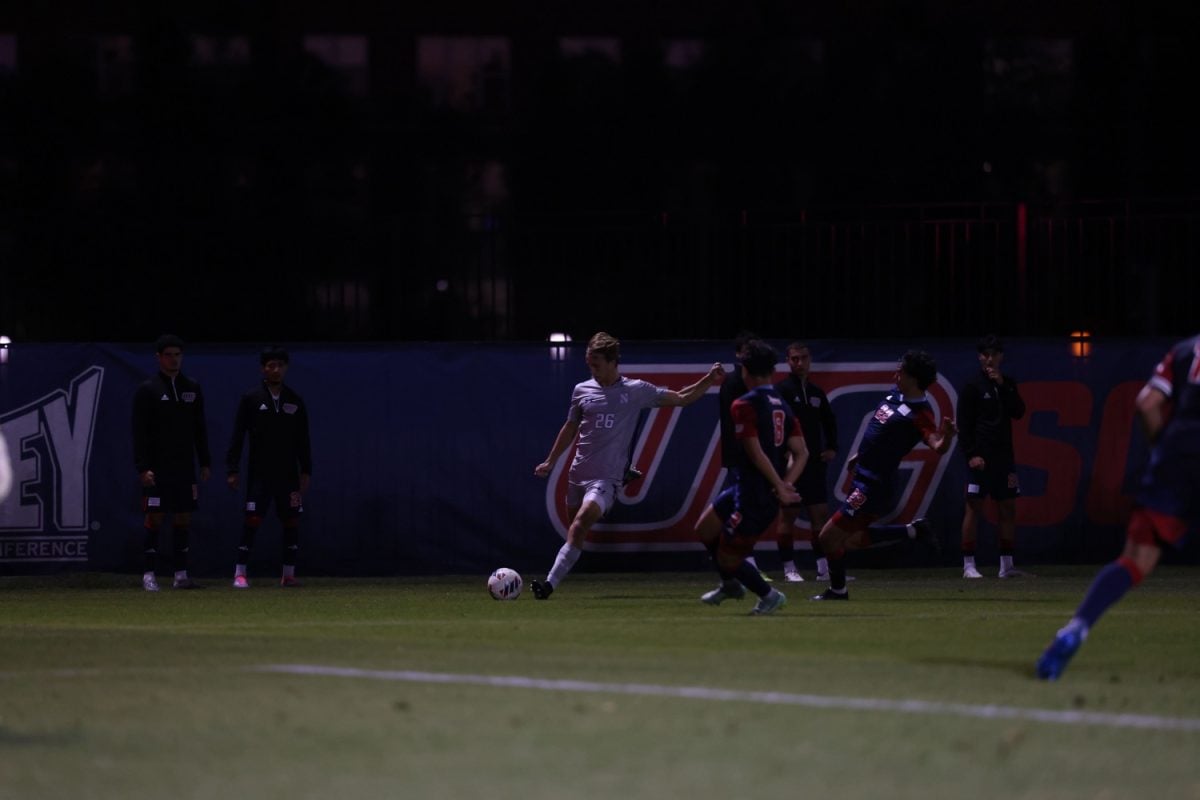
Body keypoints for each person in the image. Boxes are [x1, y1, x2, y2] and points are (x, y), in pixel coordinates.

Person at [1036, 334, 1200, 680]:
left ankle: (1075, 629)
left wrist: (1164, 452)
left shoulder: (1186, 349)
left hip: (1176, 457)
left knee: (1136, 559)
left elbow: (1147, 403)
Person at [531, 331, 726, 599]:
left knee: (578, 526)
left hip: (604, 480)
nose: (592, 369)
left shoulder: (635, 391)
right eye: (590, 364)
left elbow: (682, 397)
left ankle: (548, 586)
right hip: (577, 475)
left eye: (596, 363)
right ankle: (623, 471)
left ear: (612, 362)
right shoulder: (581, 390)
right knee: (574, 532)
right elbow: (571, 426)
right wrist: (551, 461)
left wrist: (708, 379)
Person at [810, 350, 955, 601]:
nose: (895, 374)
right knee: (853, 540)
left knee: (828, 537)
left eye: (902, 372)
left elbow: (937, 445)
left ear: (914, 379)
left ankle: (837, 590)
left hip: (873, 486)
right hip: (865, 476)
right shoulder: (896, 394)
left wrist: (949, 435)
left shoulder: (920, 415)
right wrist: (861, 454)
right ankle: (914, 531)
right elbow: (879, 433)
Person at [697, 339, 806, 615]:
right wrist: (786, 482)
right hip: (745, 487)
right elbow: (802, 452)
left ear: (744, 369)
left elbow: (757, 455)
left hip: (755, 493)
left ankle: (769, 595)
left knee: (727, 556)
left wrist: (780, 486)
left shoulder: (743, 404)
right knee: (705, 529)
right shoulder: (782, 402)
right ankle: (731, 584)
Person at [225, 345, 313, 588]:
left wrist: (306, 469)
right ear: (263, 368)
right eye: (271, 365)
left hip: (287, 475)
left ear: (286, 368)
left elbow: (302, 439)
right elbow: (238, 435)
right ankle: (240, 573)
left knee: (291, 521)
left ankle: (288, 574)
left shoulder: (294, 400)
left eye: (280, 365)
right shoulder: (251, 399)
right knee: (252, 519)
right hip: (259, 474)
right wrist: (232, 469)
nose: (276, 370)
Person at [131, 334, 212, 591]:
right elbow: (139, 432)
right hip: (157, 468)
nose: (174, 359)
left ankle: (180, 575)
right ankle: (148, 575)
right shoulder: (148, 389)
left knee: (183, 519)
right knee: (154, 519)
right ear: (159, 357)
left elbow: (199, 428)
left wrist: (204, 461)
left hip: (184, 468)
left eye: (178, 354)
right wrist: (143, 467)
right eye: (169, 355)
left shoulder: (192, 388)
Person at [958, 334, 1030, 579]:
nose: (990, 359)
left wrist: (1002, 385)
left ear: (1001, 357)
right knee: (973, 507)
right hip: (981, 458)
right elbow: (964, 425)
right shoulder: (972, 386)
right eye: (985, 354)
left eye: (994, 354)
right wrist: (971, 454)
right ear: (980, 356)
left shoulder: (1007, 383)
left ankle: (1006, 566)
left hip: (1004, 457)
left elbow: (1019, 412)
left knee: (1008, 508)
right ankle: (969, 566)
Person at [774, 341, 841, 582]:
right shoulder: (780, 391)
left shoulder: (816, 393)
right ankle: (789, 568)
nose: (799, 363)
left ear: (810, 360)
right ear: (788, 361)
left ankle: (824, 569)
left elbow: (829, 421)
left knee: (820, 516)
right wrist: (780, 452)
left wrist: (832, 447)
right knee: (788, 515)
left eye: (803, 358)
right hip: (791, 465)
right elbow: (773, 425)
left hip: (814, 465)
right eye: (794, 359)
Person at [717, 330, 771, 578]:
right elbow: (734, 429)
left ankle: (740, 565)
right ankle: (744, 565)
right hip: (744, 459)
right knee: (741, 513)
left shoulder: (767, 393)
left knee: (746, 513)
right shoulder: (734, 383)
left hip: (756, 459)